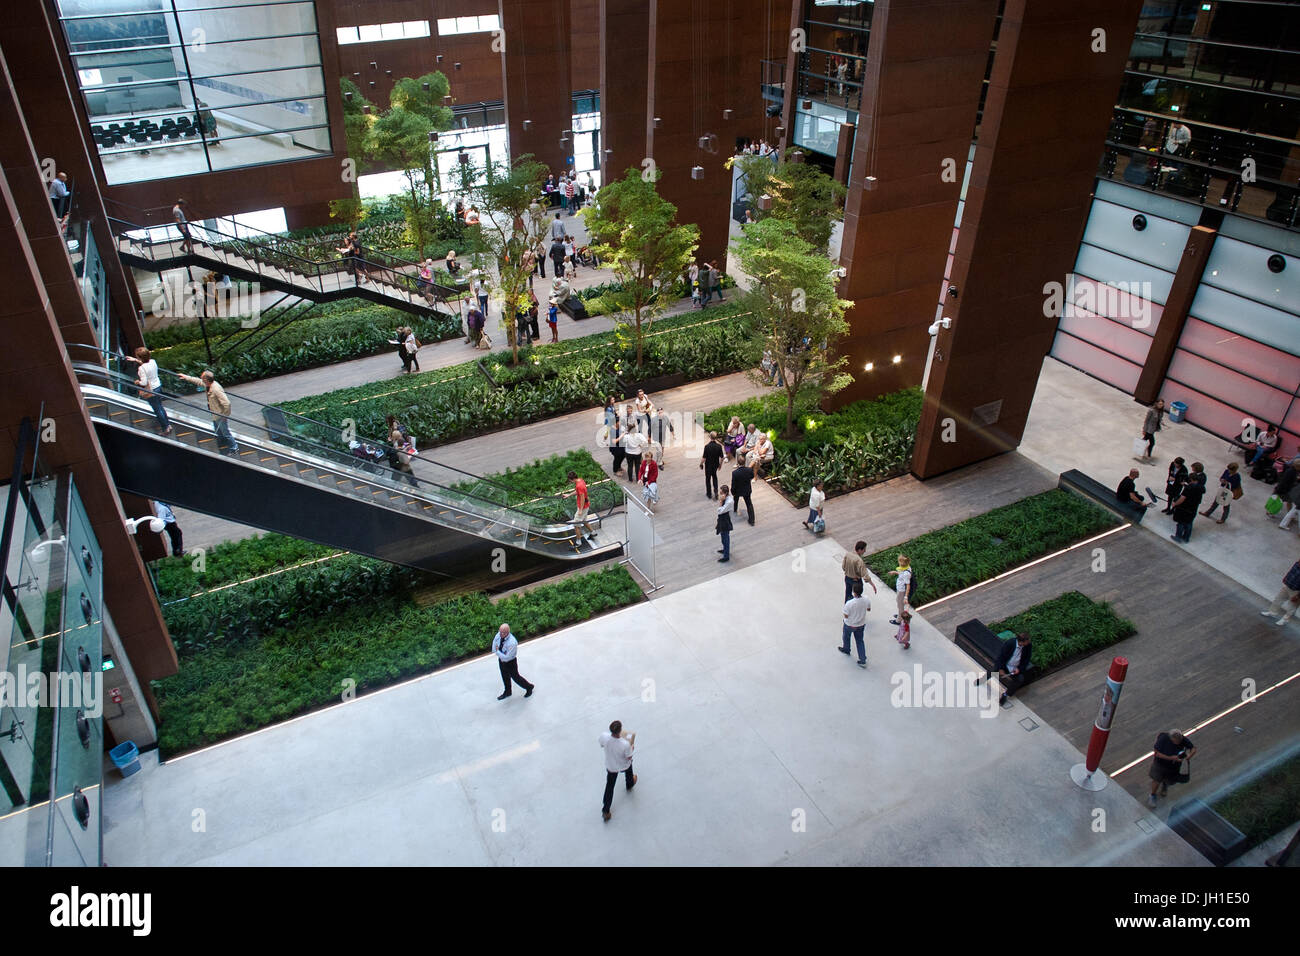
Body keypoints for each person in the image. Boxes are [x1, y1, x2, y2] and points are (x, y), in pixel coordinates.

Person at [176, 369, 237, 453]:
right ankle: (221, 441)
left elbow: (227, 403)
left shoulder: (215, 389)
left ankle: (234, 446)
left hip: (219, 414)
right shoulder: (208, 385)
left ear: (206, 380)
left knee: (225, 431)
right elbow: (197, 381)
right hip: (214, 413)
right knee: (218, 428)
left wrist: (225, 415)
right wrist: (186, 377)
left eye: (202, 378)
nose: (201, 379)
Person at [977, 632, 1033, 707]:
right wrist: (1001, 668)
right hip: (1005, 665)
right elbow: (1001, 656)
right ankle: (982, 679)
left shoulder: (1028, 646)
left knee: (1019, 680)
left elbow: (1026, 659)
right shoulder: (1010, 643)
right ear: (1022, 641)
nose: (1029, 642)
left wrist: (1019, 669)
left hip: (1015, 668)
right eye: (1027, 641)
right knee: (994, 670)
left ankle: (1005, 695)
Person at [1147, 729, 1195, 808]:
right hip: (1160, 764)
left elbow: (1193, 748)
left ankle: (1165, 785)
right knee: (1156, 780)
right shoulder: (1164, 738)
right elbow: (1156, 753)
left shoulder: (1182, 739)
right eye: (1176, 741)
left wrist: (1189, 756)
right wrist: (1171, 758)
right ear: (1171, 738)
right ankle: (1152, 795)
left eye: (1179, 741)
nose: (1178, 743)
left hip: (1174, 767)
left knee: (1170, 780)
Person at [599, 720, 636, 821]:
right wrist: (632, 747)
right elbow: (628, 757)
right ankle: (630, 784)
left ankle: (606, 811)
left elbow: (602, 745)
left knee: (609, 787)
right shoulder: (625, 744)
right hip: (623, 765)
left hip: (611, 766)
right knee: (629, 770)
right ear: (620, 730)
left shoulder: (604, 736)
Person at [132, 347, 172, 435]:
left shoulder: (142, 368)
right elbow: (146, 364)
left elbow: (144, 382)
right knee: (160, 407)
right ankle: (168, 425)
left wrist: (137, 382)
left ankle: (165, 428)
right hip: (158, 386)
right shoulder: (153, 362)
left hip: (151, 390)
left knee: (157, 409)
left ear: (140, 357)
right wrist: (135, 360)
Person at [491, 623, 534, 700]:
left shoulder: (512, 642)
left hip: (510, 663)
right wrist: (496, 651)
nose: (500, 634)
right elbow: (494, 643)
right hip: (501, 661)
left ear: (507, 632)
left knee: (516, 678)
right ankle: (507, 691)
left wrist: (497, 652)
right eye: (500, 631)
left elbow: (507, 657)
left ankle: (529, 687)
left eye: (502, 633)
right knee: (505, 677)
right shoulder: (499, 634)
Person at [1170, 461, 1206, 543]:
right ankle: (1186, 538)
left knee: (1181, 523)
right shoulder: (1201, 488)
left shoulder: (1189, 488)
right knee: (1189, 523)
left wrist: (1175, 503)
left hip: (1185, 508)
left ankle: (1178, 537)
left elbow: (1182, 498)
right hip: (1194, 507)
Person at [1258, 559, 1300, 627]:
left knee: (1292, 607)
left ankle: (1285, 620)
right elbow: (1290, 572)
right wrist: (1285, 580)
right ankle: (1272, 612)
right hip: (1287, 586)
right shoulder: (1296, 564)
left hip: (1296, 591)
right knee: (1278, 599)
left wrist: (1298, 596)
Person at [838, 580, 870, 667]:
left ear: (854, 592)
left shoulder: (849, 603)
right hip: (861, 624)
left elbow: (846, 615)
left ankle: (846, 649)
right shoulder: (866, 599)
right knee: (860, 641)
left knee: (846, 637)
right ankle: (862, 659)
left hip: (849, 624)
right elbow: (868, 609)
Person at [568, 469, 598, 541]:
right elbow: (578, 492)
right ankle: (593, 532)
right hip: (586, 506)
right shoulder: (580, 480)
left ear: (573, 479)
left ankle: (578, 542)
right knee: (584, 521)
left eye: (570, 480)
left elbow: (582, 498)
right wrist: (568, 495)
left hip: (583, 507)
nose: (570, 482)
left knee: (576, 525)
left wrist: (580, 510)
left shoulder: (579, 486)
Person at [885, 555, 912, 625]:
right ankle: (900, 614)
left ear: (902, 563)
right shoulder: (906, 568)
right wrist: (894, 572)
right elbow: (901, 574)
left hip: (901, 591)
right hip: (900, 589)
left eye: (899, 561)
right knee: (898, 602)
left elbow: (908, 585)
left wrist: (905, 597)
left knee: (900, 605)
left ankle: (899, 620)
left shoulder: (906, 573)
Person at [730, 458, 755, 525]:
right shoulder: (749, 470)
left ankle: (735, 509)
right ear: (744, 462)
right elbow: (752, 476)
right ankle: (752, 520)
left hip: (738, 491)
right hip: (747, 490)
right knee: (749, 504)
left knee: (736, 499)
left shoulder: (735, 473)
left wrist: (732, 491)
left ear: (738, 463)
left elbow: (733, 484)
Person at [700, 431, 724, 500]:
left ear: (710, 437)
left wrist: (701, 464)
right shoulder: (719, 446)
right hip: (715, 465)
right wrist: (720, 465)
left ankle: (709, 494)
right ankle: (716, 491)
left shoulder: (707, 447)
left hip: (708, 466)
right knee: (714, 477)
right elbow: (722, 457)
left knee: (708, 479)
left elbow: (704, 458)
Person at [716, 484, 734, 562]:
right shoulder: (726, 499)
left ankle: (726, 556)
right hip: (722, 519)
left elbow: (720, 511)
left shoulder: (729, 501)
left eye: (721, 493)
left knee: (725, 537)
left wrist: (721, 501)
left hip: (725, 520)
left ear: (725, 493)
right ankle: (725, 549)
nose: (720, 494)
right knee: (723, 536)